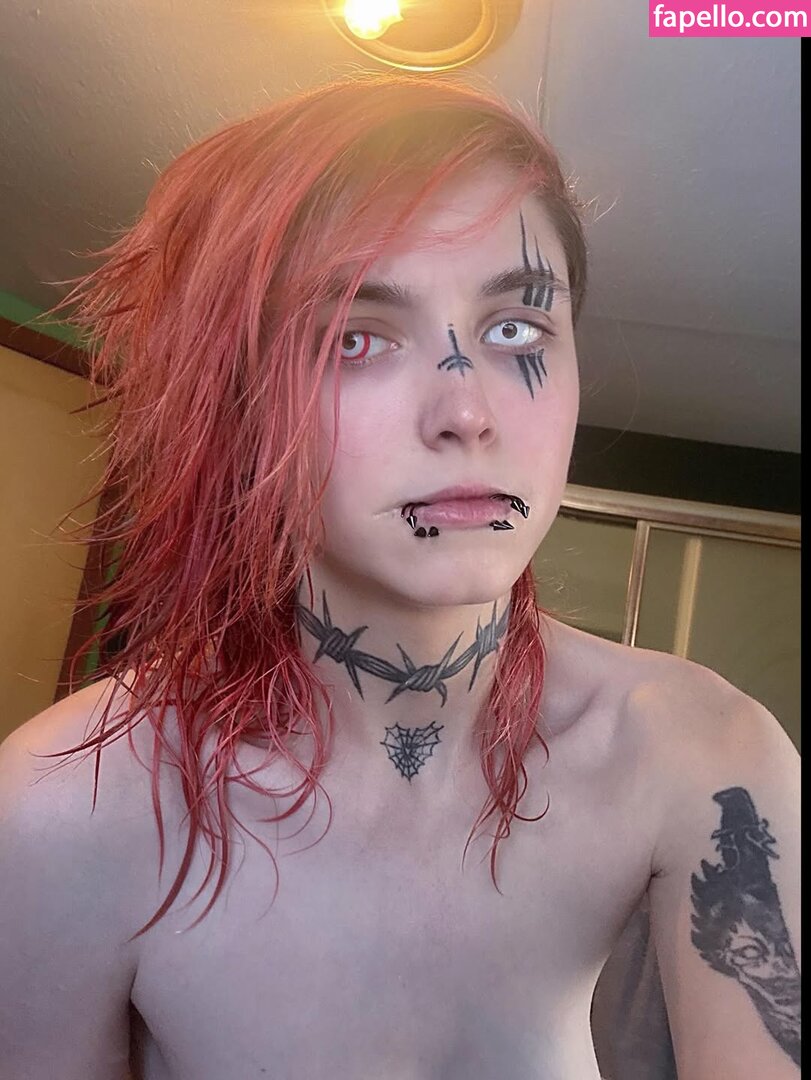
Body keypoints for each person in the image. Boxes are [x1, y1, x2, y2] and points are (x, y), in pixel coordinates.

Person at [0, 73, 800, 1080]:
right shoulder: (71, 806)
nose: (466, 413)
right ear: (233, 395)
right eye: (357, 337)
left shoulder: (701, 754)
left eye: (515, 328)